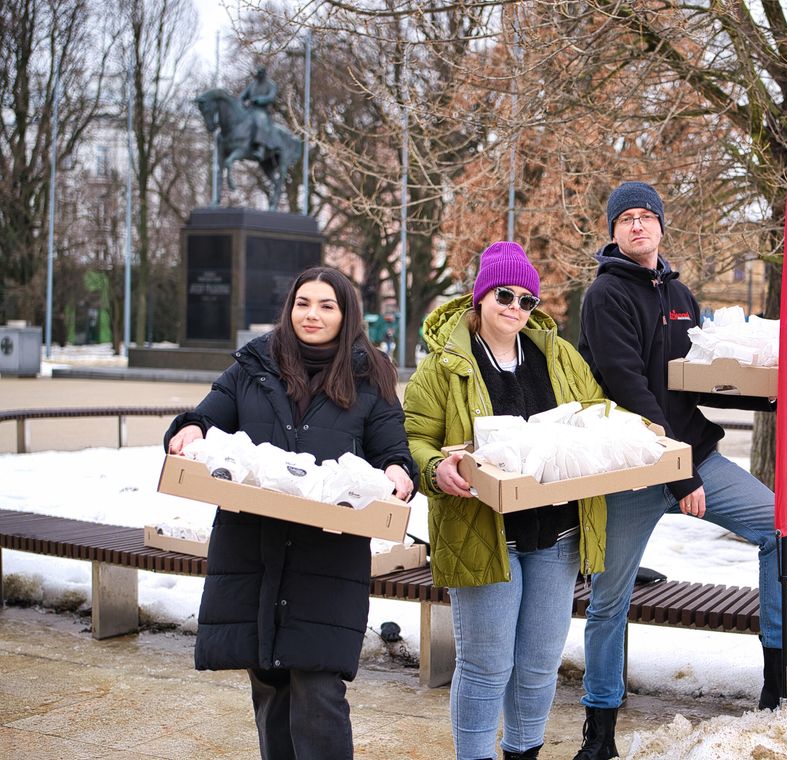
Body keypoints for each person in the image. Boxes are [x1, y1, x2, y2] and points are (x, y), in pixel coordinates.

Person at [572, 182, 787, 759]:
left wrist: (768, 390)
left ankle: (781, 684)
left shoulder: (680, 293)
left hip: (694, 455)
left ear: (662, 227)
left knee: (783, 525)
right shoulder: (605, 296)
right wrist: (677, 473)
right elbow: (629, 385)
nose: (638, 226)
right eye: (626, 219)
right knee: (609, 600)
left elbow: (695, 379)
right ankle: (599, 733)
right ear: (613, 231)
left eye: (648, 216)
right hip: (634, 464)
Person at [165, 266, 417, 760]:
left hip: (327, 560)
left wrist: (397, 473)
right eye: (304, 303)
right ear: (289, 308)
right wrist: (189, 429)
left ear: (346, 314)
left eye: (327, 305)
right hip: (254, 551)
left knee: (319, 690)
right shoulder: (252, 366)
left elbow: (393, 449)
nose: (313, 314)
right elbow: (206, 414)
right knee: (271, 684)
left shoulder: (371, 374)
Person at [403, 241, 609, 760]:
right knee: (487, 663)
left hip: (556, 533)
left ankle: (523, 753)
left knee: (540, 662)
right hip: (484, 533)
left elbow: (595, 414)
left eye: (526, 299)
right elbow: (414, 437)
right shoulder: (445, 365)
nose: (515, 307)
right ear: (480, 296)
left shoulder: (557, 356)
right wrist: (435, 467)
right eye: (504, 294)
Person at [241, 65, 278, 161]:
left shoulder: (271, 85)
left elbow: (271, 97)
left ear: (264, 74)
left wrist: (258, 99)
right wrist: (243, 102)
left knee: (260, 121)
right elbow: (242, 96)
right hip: (250, 110)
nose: (258, 76)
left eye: (260, 74)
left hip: (262, 110)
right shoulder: (252, 85)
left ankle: (261, 148)